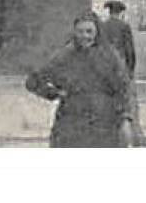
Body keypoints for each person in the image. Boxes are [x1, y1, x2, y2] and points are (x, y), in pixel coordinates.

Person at [25, 12, 137, 148]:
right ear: (74, 33)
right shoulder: (65, 56)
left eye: (89, 32)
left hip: (104, 124)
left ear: (97, 32)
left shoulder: (110, 57)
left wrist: (126, 119)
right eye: (80, 32)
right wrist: (53, 93)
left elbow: (123, 89)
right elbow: (33, 81)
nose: (85, 36)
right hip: (71, 125)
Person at [100, 0, 136, 76]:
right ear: (120, 12)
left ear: (109, 12)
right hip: (120, 61)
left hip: (105, 61)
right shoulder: (124, 26)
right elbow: (129, 48)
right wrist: (131, 67)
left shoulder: (103, 25)